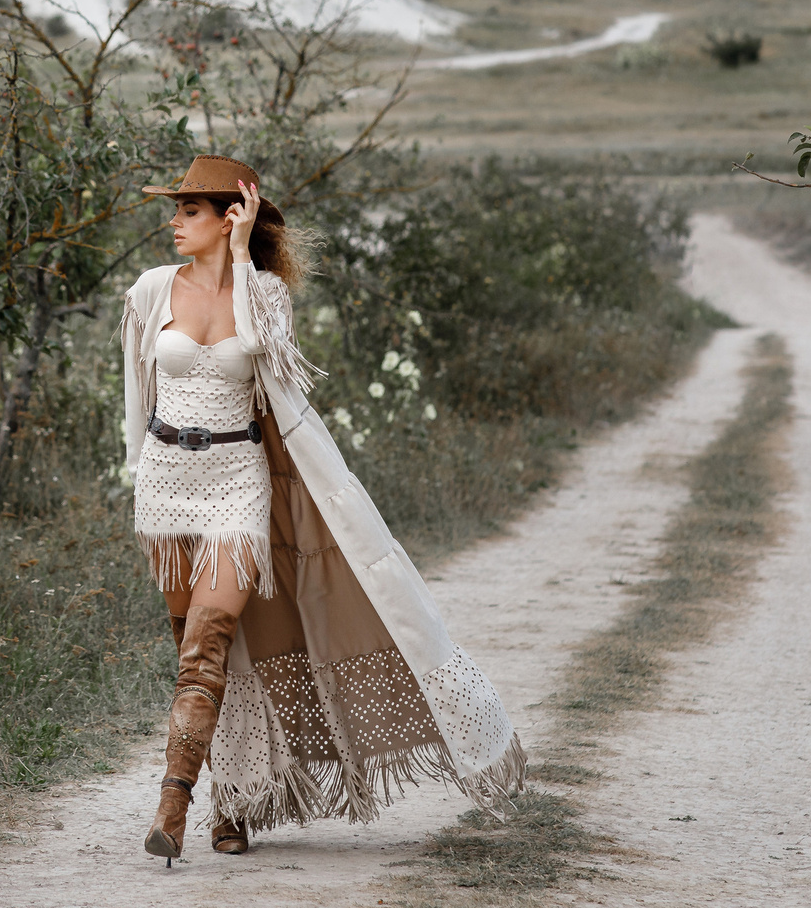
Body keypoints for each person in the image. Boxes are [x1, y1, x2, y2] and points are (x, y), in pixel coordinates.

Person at [122, 155, 526, 865]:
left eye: (191, 210)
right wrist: (135, 472)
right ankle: (231, 799)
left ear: (231, 214)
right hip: (165, 483)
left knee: (212, 633)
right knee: (196, 649)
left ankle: (172, 805)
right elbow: (135, 395)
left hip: (236, 481)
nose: (175, 222)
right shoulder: (153, 289)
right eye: (177, 208)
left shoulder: (267, 293)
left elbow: (271, 359)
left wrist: (243, 257)